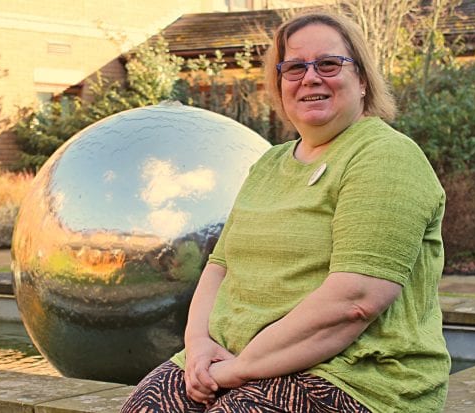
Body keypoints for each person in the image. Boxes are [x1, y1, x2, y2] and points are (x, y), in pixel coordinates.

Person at [121, 11, 450, 413]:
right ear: (279, 85)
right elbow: (219, 266)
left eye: (328, 64)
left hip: (354, 376)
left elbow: (356, 300)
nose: (310, 78)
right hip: (234, 359)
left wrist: (239, 370)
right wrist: (197, 346)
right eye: (294, 68)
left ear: (362, 80)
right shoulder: (269, 164)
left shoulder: (385, 155)